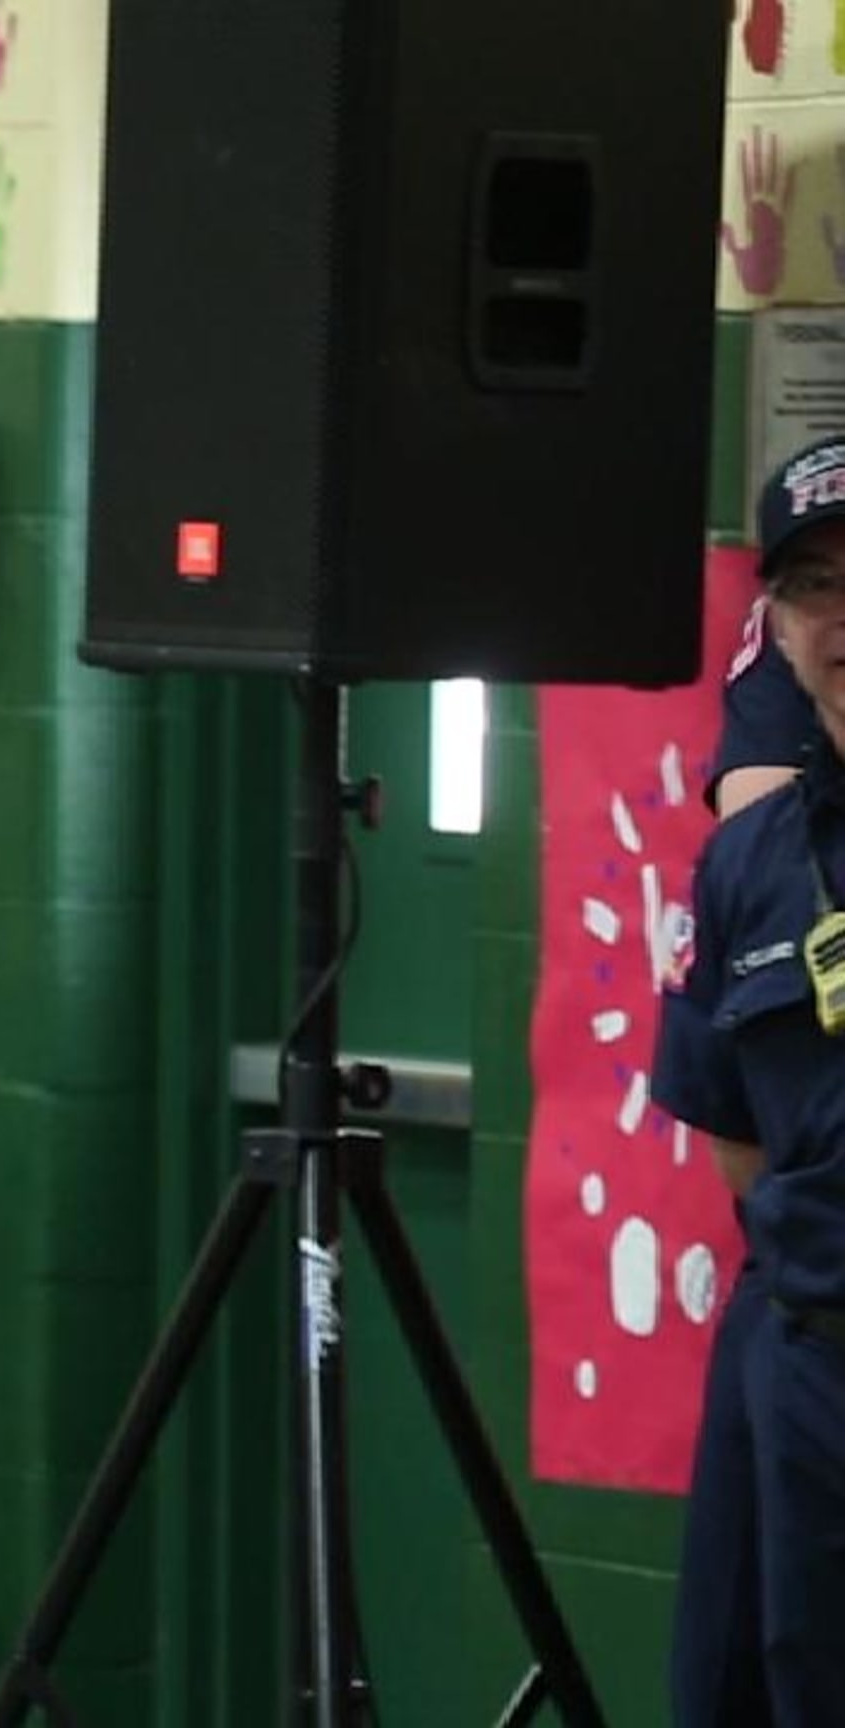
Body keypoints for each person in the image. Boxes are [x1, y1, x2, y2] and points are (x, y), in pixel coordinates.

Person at [654, 431, 845, 1726]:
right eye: (815, 584)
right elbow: (740, 1140)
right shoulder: (753, 859)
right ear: (773, 626)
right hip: (817, 1370)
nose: (843, 618)